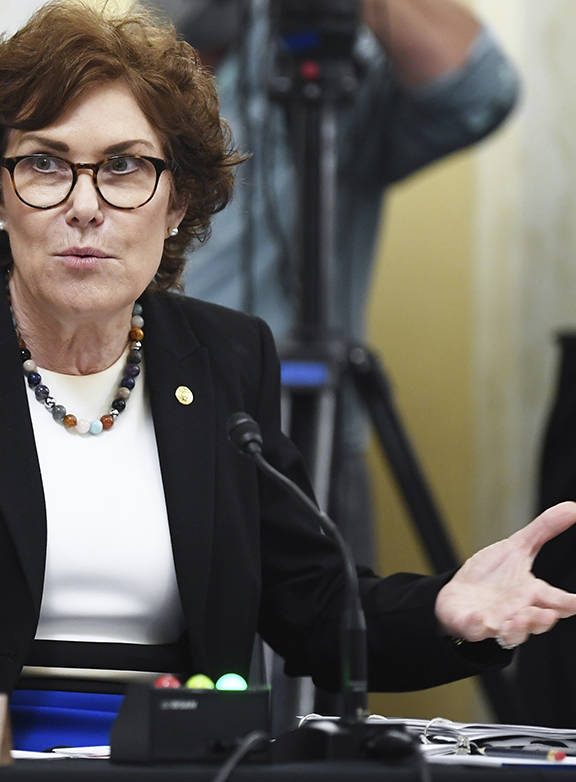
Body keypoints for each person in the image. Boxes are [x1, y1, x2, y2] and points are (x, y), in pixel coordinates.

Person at [0, 1, 576, 752]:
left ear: (177, 204)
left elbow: (317, 609)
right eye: (46, 166)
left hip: (176, 778)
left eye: (127, 169)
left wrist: (448, 612)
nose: (86, 206)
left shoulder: (224, 360)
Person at [161, 0, 521, 568]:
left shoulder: (329, 80)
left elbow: (481, 90)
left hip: (311, 441)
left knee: (335, 641)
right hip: (148, 440)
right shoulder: (116, 89)